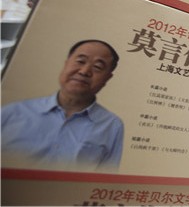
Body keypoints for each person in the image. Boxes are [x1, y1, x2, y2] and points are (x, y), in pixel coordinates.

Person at [1, 40, 124, 171]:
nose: (84, 71)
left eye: (97, 67)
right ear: (66, 63)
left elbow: (103, 181)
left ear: (107, 78)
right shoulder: (11, 112)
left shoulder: (112, 125)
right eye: (80, 61)